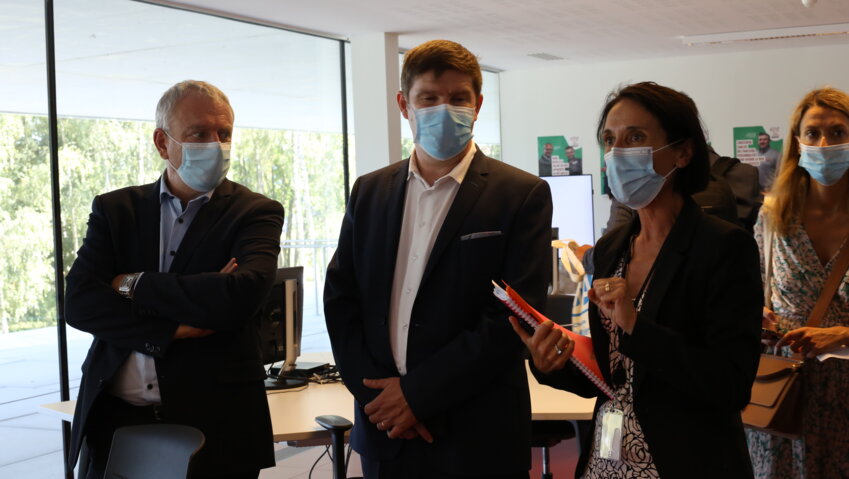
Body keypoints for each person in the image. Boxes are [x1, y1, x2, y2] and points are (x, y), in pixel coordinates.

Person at [324, 39, 552, 479]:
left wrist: (415, 396)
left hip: (476, 434)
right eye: (428, 98)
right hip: (384, 431)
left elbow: (511, 316)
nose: (444, 109)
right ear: (404, 105)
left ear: (478, 104)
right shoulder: (369, 192)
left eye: (458, 98)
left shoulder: (521, 194)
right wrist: (380, 399)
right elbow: (341, 299)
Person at [511, 82, 762, 478]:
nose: (617, 153)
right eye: (610, 140)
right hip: (606, 461)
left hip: (686, 460)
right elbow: (614, 377)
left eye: (636, 138)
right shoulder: (613, 249)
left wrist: (635, 325)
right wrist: (551, 365)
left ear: (682, 152)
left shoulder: (724, 247)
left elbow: (729, 385)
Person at [65, 80, 284, 478]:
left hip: (215, 428)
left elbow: (239, 295)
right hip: (114, 423)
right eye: (199, 133)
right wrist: (168, 330)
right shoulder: (116, 210)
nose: (215, 145)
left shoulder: (255, 212)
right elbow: (80, 302)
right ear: (162, 143)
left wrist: (130, 284)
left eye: (225, 133)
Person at [747, 87, 849, 479]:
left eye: (838, 132)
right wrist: (756, 315)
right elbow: (751, 292)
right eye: (813, 133)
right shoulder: (774, 218)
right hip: (784, 396)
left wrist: (840, 334)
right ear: (797, 141)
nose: (824, 143)